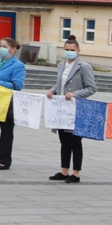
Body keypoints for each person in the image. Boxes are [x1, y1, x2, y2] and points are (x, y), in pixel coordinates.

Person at [43, 36, 98, 183]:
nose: (69, 52)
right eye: (66, 50)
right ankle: (64, 170)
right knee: (64, 141)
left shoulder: (84, 66)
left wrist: (75, 94)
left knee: (75, 141)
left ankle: (76, 173)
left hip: (76, 108)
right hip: (62, 109)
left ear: (78, 50)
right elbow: (59, 84)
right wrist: (52, 91)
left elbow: (91, 88)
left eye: (72, 50)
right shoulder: (61, 65)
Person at [0, 37, 26, 170]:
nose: (2, 49)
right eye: (1, 46)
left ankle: (4, 160)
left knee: (6, 132)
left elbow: (18, 85)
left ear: (13, 49)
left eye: (5, 46)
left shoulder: (18, 65)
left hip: (7, 103)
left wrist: (0, 84)